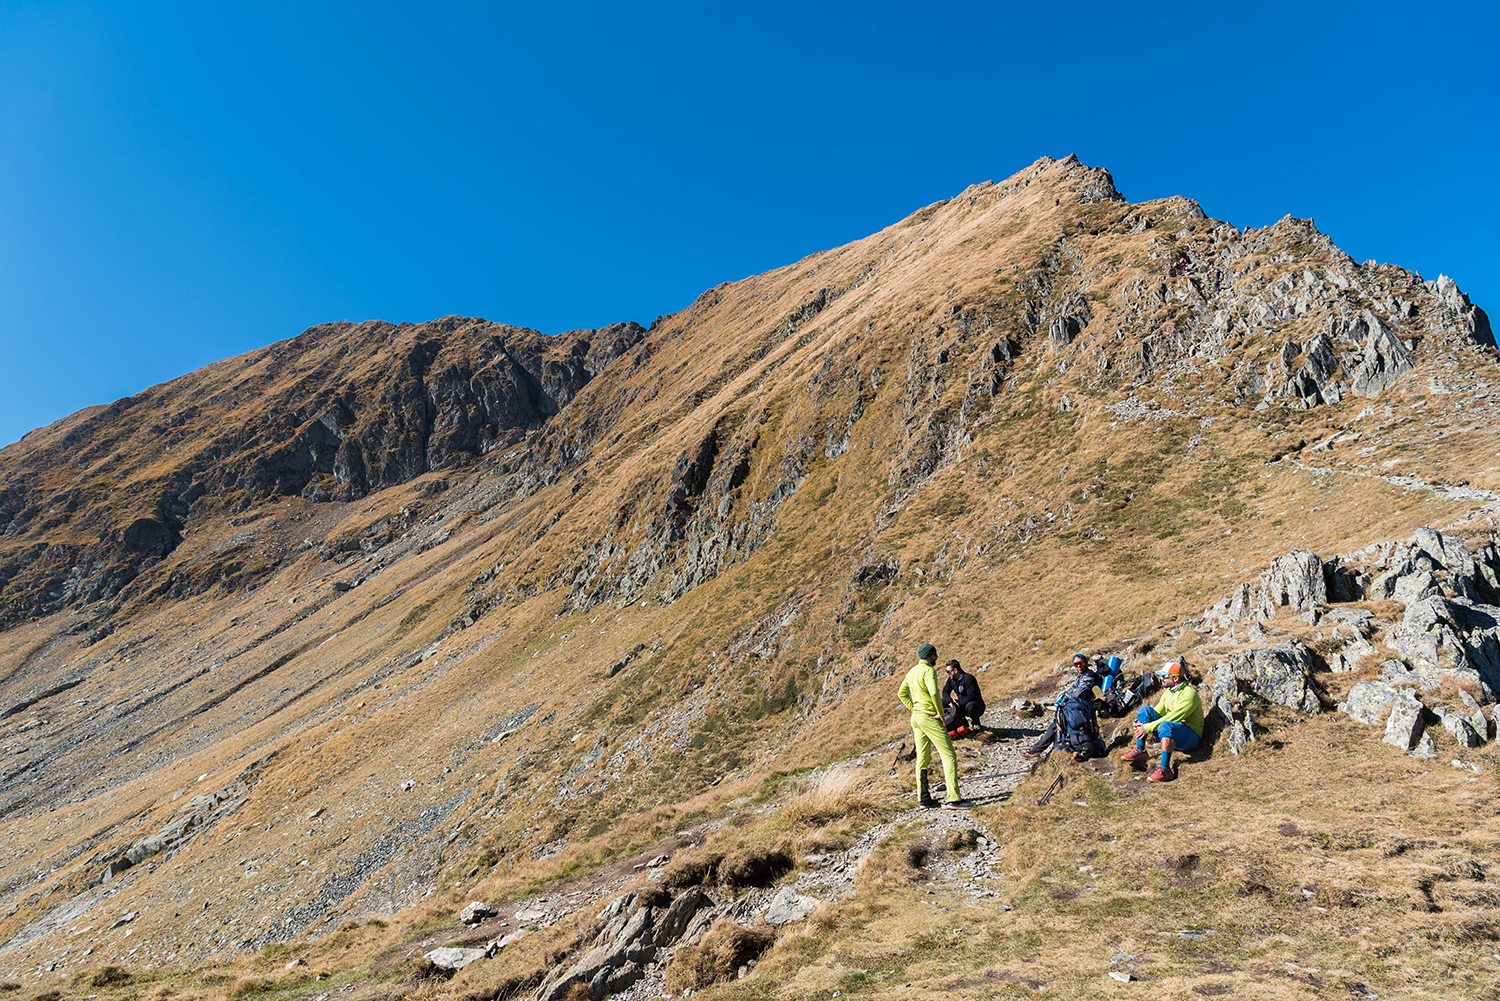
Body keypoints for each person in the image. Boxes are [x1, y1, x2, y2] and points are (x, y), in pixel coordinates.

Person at [898, 643, 969, 809]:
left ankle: (924, 798)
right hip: (929, 717)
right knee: (948, 754)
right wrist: (941, 713)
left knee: (922, 758)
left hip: (916, 718)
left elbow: (902, 693)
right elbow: (934, 693)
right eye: (935, 654)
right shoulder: (928, 671)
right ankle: (954, 799)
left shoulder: (912, 671)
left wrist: (913, 708)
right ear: (929, 656)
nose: (937, 657)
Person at [1121, 660, 1203, 782]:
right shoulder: (1168, 693)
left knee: (1166, 725)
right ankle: (1140, 749)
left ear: (1175, 678)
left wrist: (1147, 727)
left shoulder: (1189, 694)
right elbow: (1155, 712)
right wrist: (1140, 723)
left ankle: (1165, 769)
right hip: (1173, 730)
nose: (1161, 678)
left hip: (1191, 737)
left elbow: (1174, 717)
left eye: (1164, 676)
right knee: (1145, 710)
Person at [1023, 654, 1101, 757]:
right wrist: (1073, 692)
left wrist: (1073, 692)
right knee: (1057, 724)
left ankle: (1042, 752)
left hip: (1083, 710)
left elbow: (1077, 694)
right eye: (1075, 664)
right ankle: (1041, 751)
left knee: (1058, 725)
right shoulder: (1081, 676)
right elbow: (1070, 692)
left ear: (1086, 663)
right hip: (1076, 708)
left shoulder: (1088, 676)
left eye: (1080, 663)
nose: (1078, 666)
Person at [942, 660, 985, 736]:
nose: (947, 674)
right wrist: (949, 701)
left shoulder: (968, 678)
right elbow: (945, 691)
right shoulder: (951, 680)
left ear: (955, 670)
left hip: (976, 706)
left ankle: (976, 724)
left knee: (970, 706)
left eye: (948, 672)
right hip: (961, 705)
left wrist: (958, 704)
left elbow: (971, 696)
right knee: (942, 702)